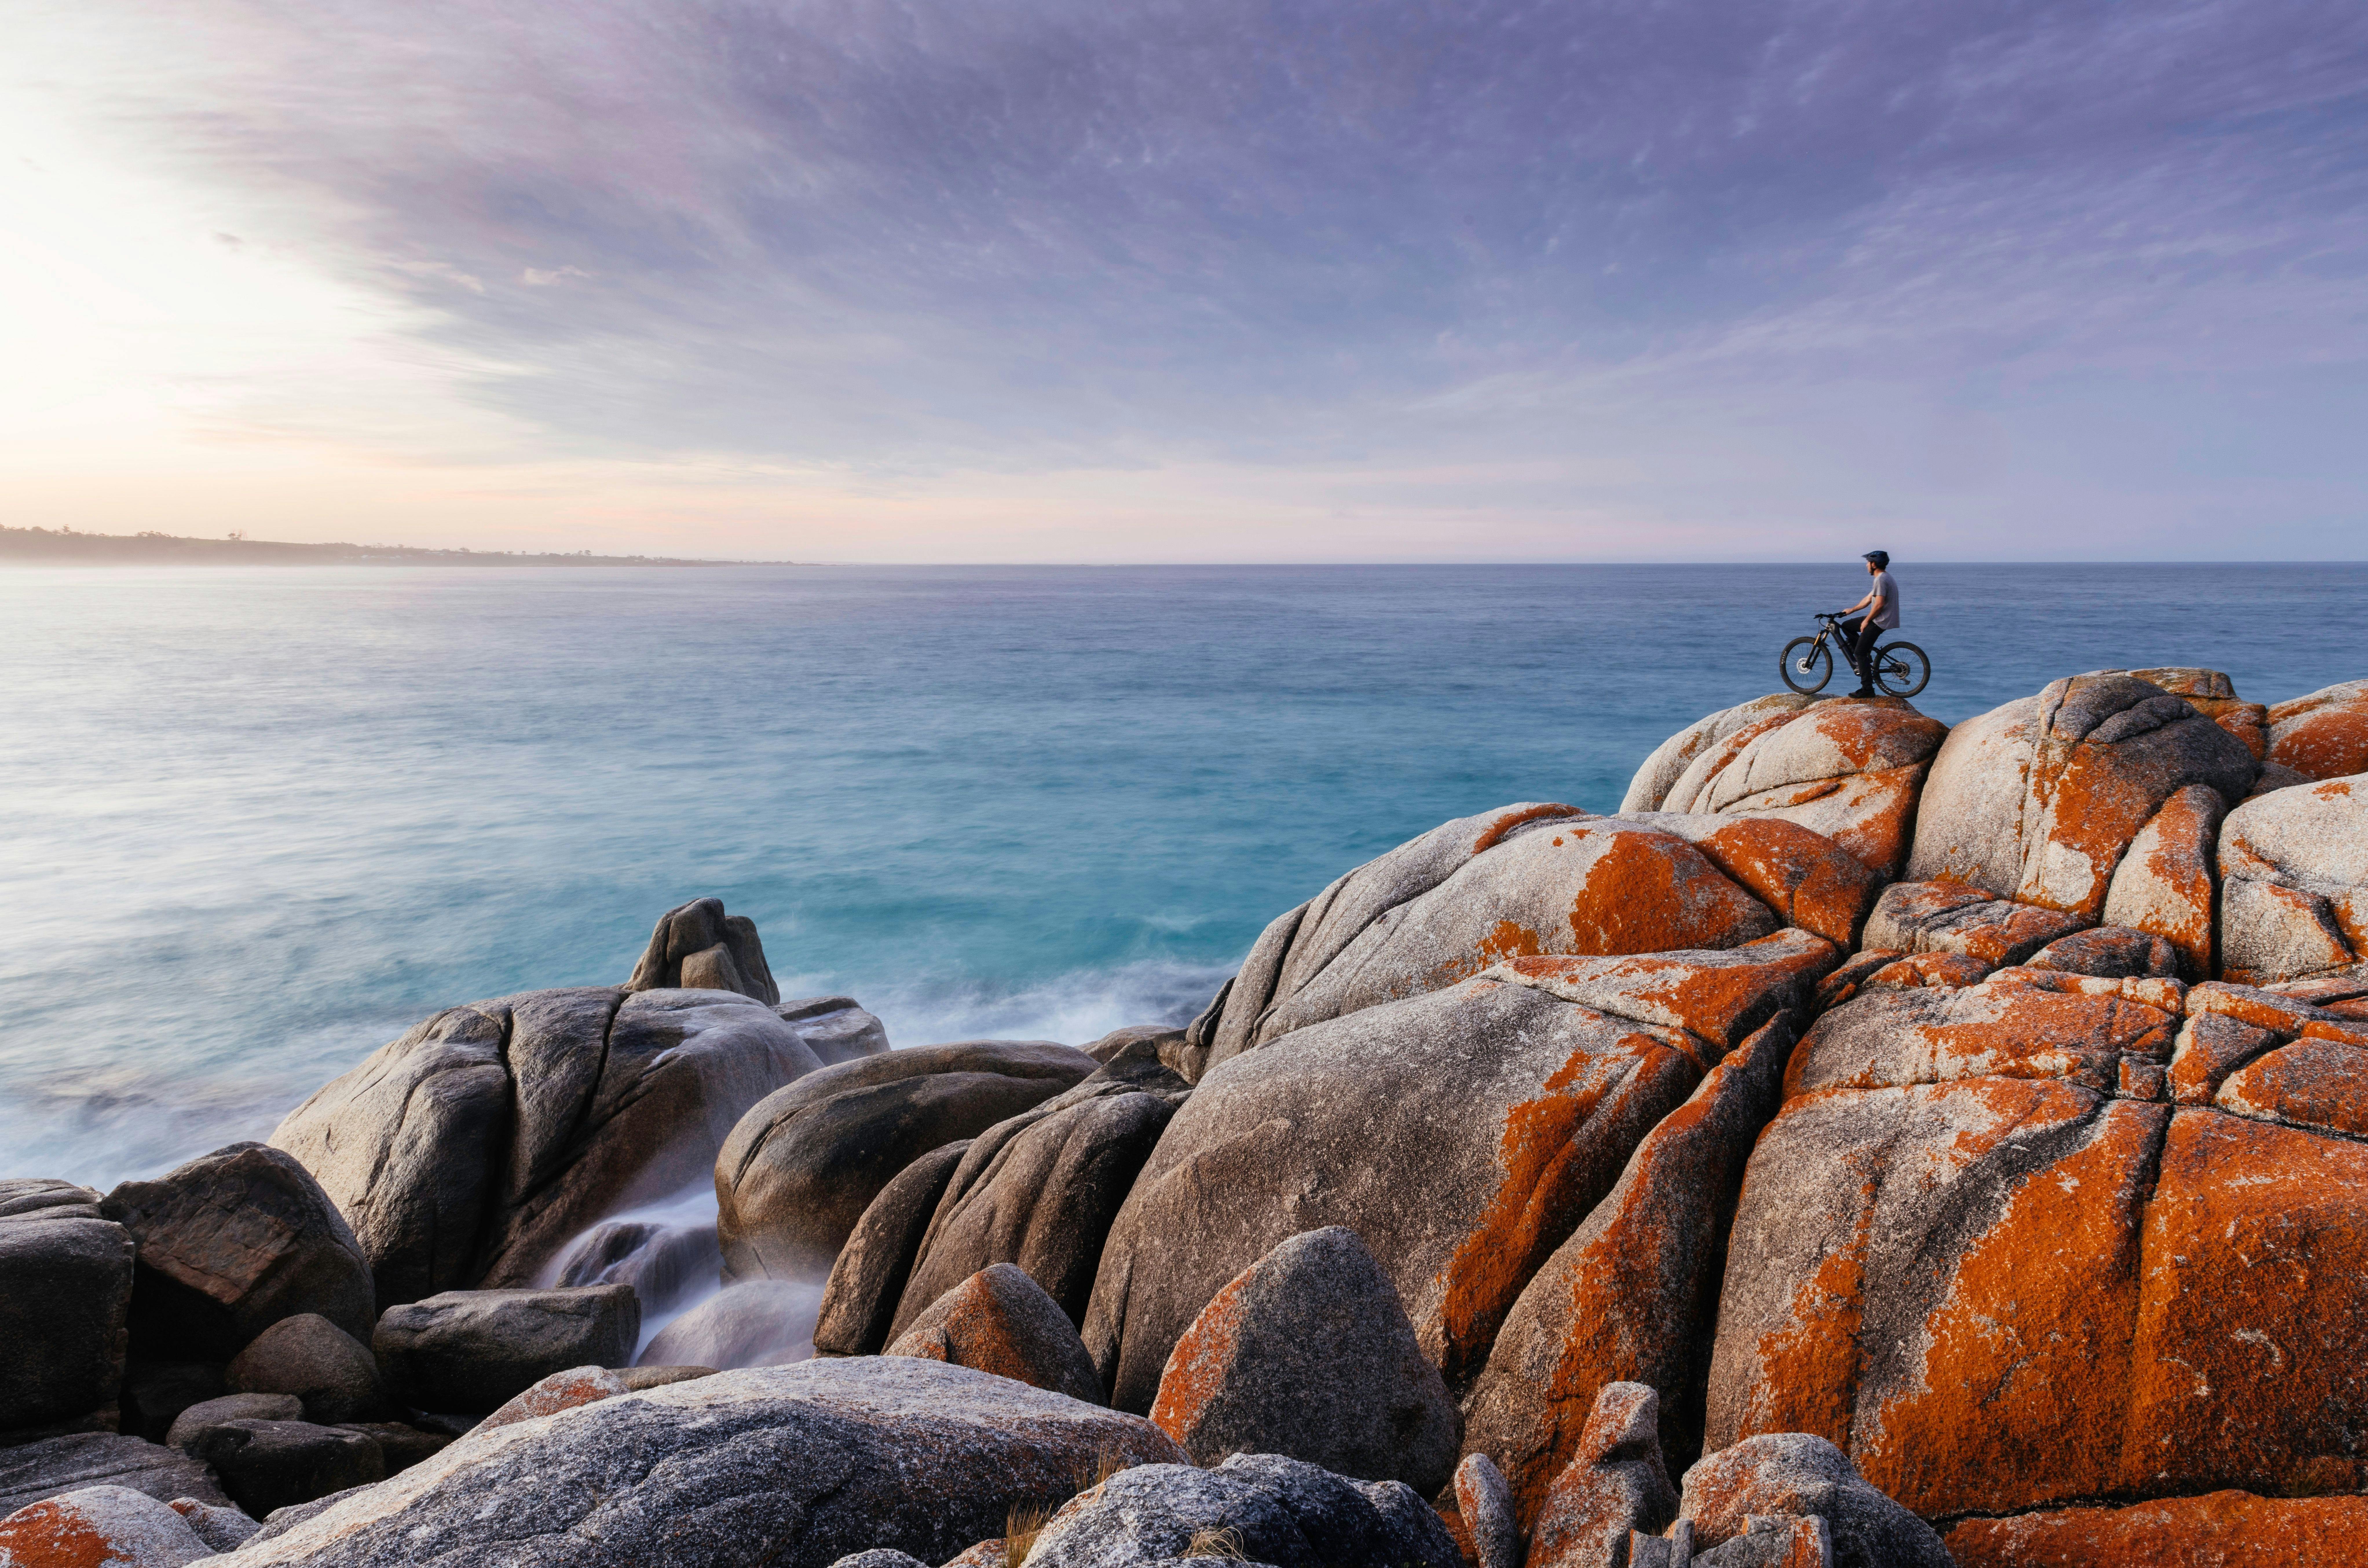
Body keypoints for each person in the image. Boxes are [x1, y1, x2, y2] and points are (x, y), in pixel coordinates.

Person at [1836, 550, 1899, 697]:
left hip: (1881, 620)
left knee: (1859, 653)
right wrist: (1852, 610)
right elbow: (1869, 599)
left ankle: (1868, 690)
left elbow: (1879, 605)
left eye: (1868, 563)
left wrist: (1866, 621)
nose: (1866, 566)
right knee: (1847, 626)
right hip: (1882, 618)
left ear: (1874, 564)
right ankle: (1866, 654)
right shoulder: (1884, 578)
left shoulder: (1881, 580)